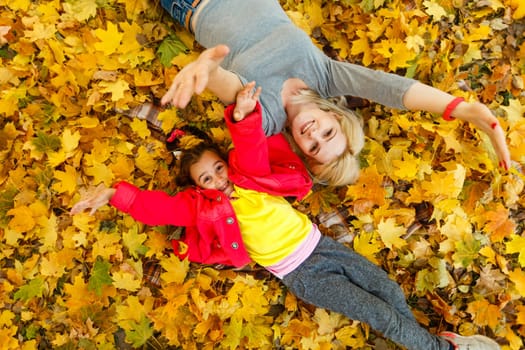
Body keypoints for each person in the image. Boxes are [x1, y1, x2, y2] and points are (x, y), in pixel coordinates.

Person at [71, 83, 500, 350]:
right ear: (197, 186)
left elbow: (251, 147)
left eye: (218, 168)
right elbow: (157, 208)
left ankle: (436, 341)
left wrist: (243, 114)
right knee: (380, 315)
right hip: (303, 274)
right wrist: (113, 194)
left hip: (322, 245)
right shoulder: (201, 207)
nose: (218, 179)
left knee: (387, 289)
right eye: (207, 178)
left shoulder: (247, 176)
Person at [158, 0, 511, 186]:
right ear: (335, 117)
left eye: (313, 146)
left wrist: (208, 69)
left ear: (302, 150)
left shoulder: (266, 117)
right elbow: (391, 89)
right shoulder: (326, 77)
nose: (314, 134)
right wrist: (460, 109)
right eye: (328, 133)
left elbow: (232, 89)